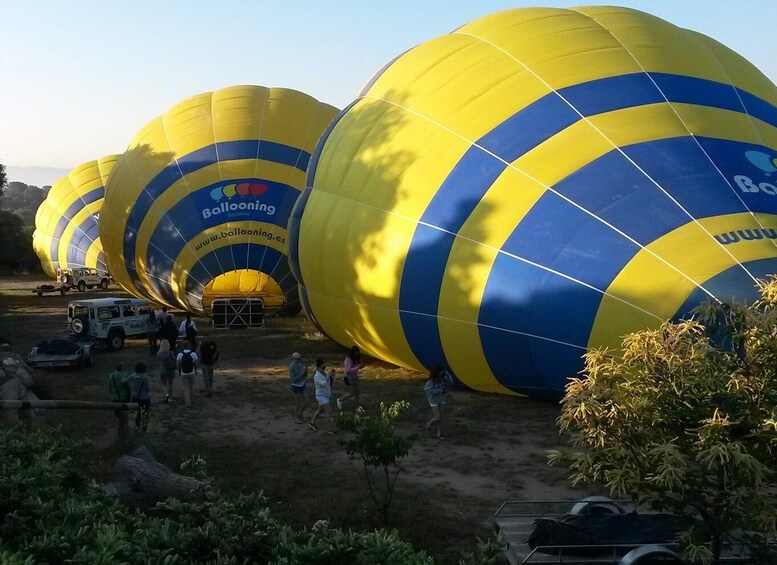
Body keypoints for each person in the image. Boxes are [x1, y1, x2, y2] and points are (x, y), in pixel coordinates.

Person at [424, 364, 453, 440]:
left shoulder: (443, 378)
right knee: (438, 417)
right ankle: (429, 423)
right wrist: (440, 391)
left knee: (441, 417)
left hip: (442, 399)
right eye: (441, 371)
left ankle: (439, 433)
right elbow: (428, 391)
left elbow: (450, 382)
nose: (442, 372)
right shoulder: (431, 381)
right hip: (434, 400)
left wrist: (448, 375)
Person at [309, 359, 337, 434]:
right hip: (320, 396)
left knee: (320, 410)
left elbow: (333, 381)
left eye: (324, 367)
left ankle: (312, 422)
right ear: (318, 367)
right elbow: (323, 384)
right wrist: (328, 377)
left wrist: (333, 375)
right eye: (322, 367)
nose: (324, 368)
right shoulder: (316, 376)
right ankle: (331, 429)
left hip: (326, 395)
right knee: (328, 411)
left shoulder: (325, 373)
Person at [107, 362, 131, 439]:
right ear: (122, 368)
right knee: (125, 417)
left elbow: (110, 387)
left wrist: (113, 395)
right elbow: (127, 388)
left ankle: (118, 434)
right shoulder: (124, 376)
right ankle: (125, 433)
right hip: (124, 398)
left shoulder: (111, 376)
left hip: (115, 398)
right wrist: (129, 398)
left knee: (117, 417)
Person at [127, 361, 152, 433]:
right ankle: (145, 428)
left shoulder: (133, 376)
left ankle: (137, 426)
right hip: (145, 398)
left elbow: (125, 381)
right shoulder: (147, 378)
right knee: (145, 414)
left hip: (136, 398)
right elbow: (149, 388)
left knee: (138, 413)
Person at [337, 346, 364, 410]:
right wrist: (358, 367)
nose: (357, 354)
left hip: (354, 377)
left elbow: (354, 367)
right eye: (356, 352)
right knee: (351, 393)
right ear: (353, 352)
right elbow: (348, 370)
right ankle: (340, 399)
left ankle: (357, 407)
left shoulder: (354, 358)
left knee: (357, 392)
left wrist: (359, 366)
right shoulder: (348, 359)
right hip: (349, 378)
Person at [176, 340, 198, 409]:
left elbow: (178, 365)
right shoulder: (193, 354)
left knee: (185, 389)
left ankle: (188, 403)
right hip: (192, 372)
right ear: (189, 346)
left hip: (183, 373)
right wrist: (195, 370)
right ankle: (192, 399)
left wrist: (179, 371)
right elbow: (196, 364)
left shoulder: (180, 354)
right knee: (192, 387)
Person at [288, 352, 308, 423]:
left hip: (302, 384)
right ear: (294, 359)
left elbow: (305, 376)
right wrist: (301, 374)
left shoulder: (301, 364)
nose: (300, 360)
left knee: (306, 401)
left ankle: (301, 413)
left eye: (300, 358)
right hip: (295, 386)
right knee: (298, 402)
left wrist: (305, 372)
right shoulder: (291, 367)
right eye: (298, 359)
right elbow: (294, 379)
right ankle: (296, 417)